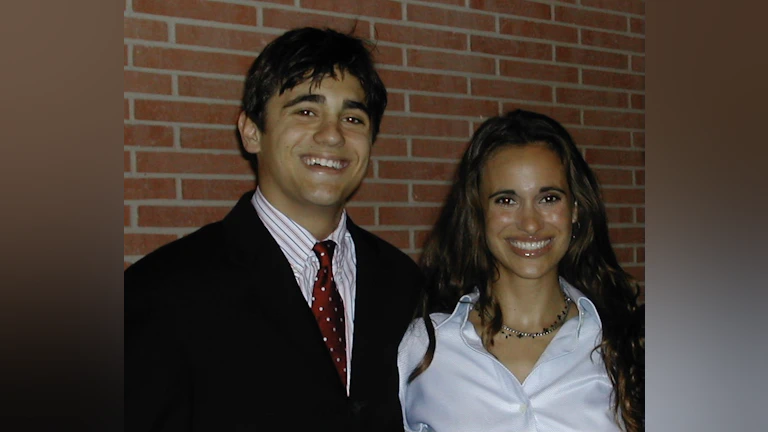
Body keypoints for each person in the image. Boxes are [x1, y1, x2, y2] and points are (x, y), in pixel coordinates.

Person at [125, 27, 423, 431]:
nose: (332, 134)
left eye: (352, 117)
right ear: (251, 132)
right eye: (306, 111)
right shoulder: (163, 291)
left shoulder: (405, 283)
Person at [397, 110, 645, 432]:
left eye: (548, 198)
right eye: (506, 201)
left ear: (574, 209)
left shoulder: (624, 345)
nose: (530, 224)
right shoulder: (424, 346)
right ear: (477, 213)